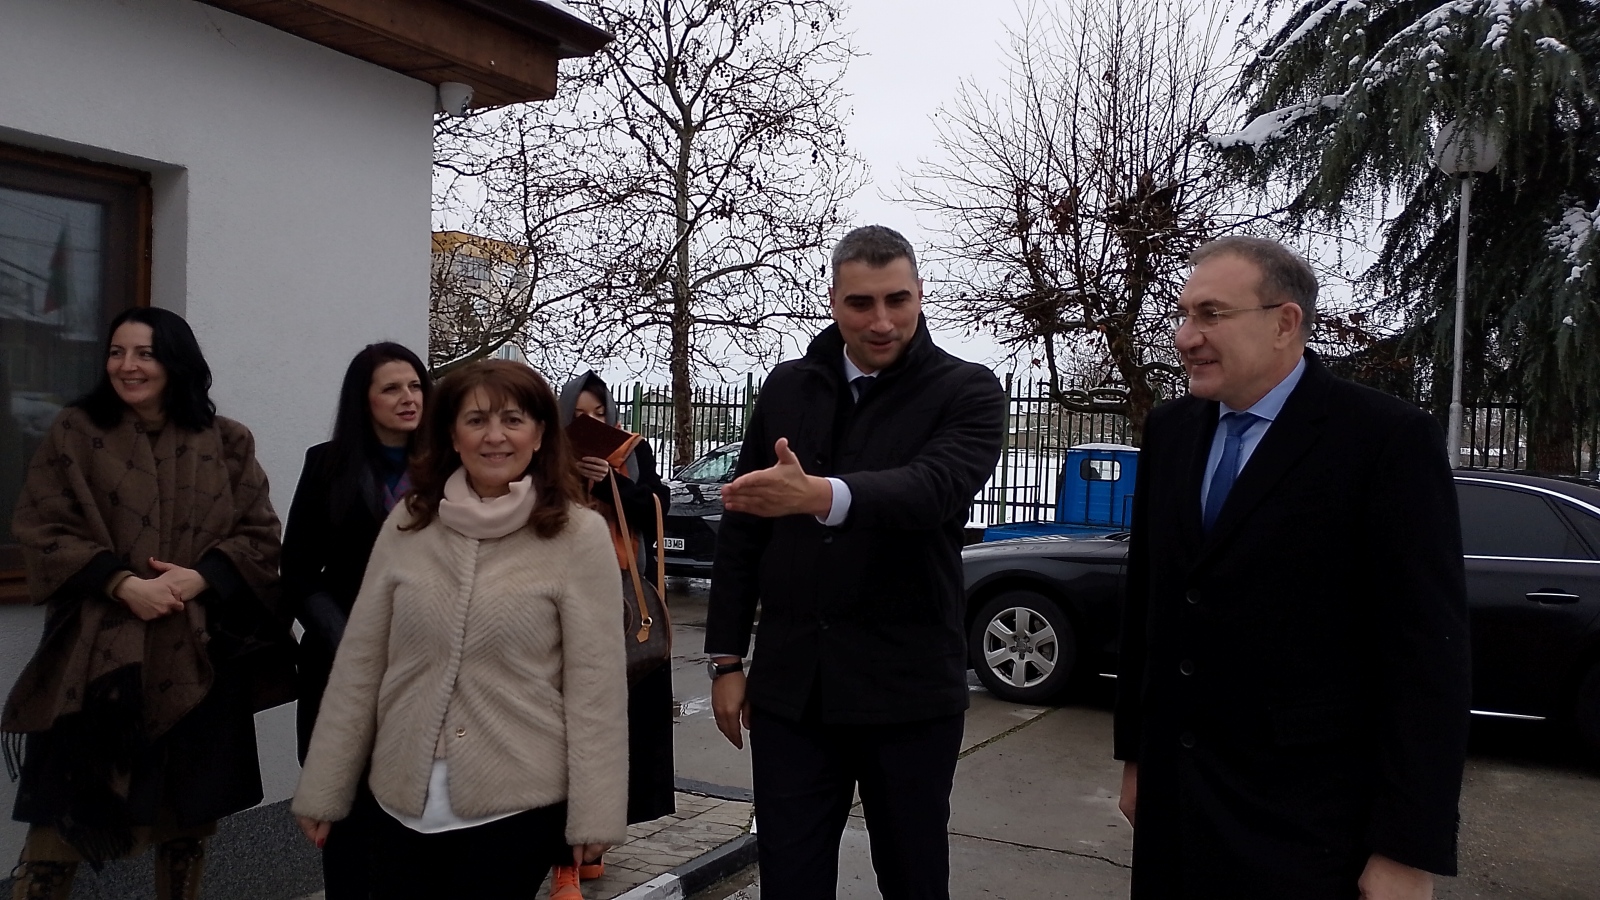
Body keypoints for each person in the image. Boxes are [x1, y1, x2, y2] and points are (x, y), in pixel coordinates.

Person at [1113, 236, 1470, 900]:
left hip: (1306, 824)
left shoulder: (1384, 440)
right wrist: (1137, 757)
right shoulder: (1171, 430)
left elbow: (1427, 657)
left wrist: (1407, 849)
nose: (1185, 337)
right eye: (1184, 315)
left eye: (1211, 315)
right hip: (1176, 808)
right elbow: (1151, 608)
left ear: (1285, 323)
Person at [703, 225, 1006, 900]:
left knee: (913, 876)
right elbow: (744, 529)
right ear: (834, 300)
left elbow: (935, 488)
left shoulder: (967, 389)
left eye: (897, 300)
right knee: (791, 878)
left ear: (920, 293)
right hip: (794, 694)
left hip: (908, 694)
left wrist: (820, 495)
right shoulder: (789, 387)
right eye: (861, 303)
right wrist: (725, 659)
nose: (882, 321)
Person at [291, 360, 628, 900]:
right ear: (451, 434)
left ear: (541, 433)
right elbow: (360, 665)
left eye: (512, 419)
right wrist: (326, 787)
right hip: (397, 801)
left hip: (516, 808)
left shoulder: (577, 535)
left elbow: (596, 687)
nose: (494, 436)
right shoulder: (409, 523)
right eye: (476, 420)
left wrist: (595, 813)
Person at [2, 307, 292, 900]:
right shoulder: (76, 432)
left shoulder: (228, 441)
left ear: (176, 362)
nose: (127, 365)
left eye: (144, 353)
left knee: (186, 828)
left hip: (198, 659)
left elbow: (260, 535)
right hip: (97, 668)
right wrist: (123, 584)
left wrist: (200, 579)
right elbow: (42, 525)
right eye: (117, 352)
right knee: (59, 831)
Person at [281, 342, 431, 899]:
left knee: (416, 828)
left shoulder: (448, 468)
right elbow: (298, 571)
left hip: (426, 670)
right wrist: (348, 640)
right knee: (349, 829)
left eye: (415, 385)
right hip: (343, 669)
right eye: (391, 388)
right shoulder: (327, 464)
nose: (408, 397)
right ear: (363, 399)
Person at [556, 371, 675, 886]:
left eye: (600, 415)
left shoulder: (632, 451)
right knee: (567, 735)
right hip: (562, 606)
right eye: (581, 415)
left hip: (624, 608)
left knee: (619, 733)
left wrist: (610, 481)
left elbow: (655, 508)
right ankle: (563, 861)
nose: (592, 423)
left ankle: (595, 839)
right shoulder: (544, 455)